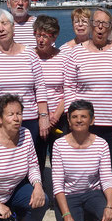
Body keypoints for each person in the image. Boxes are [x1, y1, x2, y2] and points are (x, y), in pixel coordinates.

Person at [63, 7, 112, 197]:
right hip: (84, 124)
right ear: (91, 26)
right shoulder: (75, 53)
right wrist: (72, 117)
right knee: (86, 169)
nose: (100, 28)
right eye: (96, 23)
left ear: (111, 27)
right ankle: (88, 208)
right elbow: (69, 86)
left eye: (105, 24)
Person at [0, 8, 50, 155]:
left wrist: (43, 116)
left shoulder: (30, 54)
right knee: (1, 165)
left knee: (31, 165)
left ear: (13, 26)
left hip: (28, 120)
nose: (1, 29)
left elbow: (40, 88)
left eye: (4, 23)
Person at [52, 100, 112, 221]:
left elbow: (106, 178)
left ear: (92, 120)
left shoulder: (101, 144)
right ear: (68, 120)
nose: (79, 120)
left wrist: (110, 205)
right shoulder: (59, 145)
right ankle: (75, 216)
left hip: (92, 194)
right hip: (69, 196)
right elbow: (57, 183)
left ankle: (89, 219)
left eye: (83, 116)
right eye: (74, 117)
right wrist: (66, 215)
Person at [33, 15, 66, 174]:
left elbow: (69, 90)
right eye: (38, 35)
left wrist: (55, 116)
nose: (40, 40)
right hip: (34, 117)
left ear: (54, 37)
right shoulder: (28, 56)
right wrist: (42, 116)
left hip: (58, 118)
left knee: (60, 162)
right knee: (34, 161)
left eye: (45, 36)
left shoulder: (64, 58)